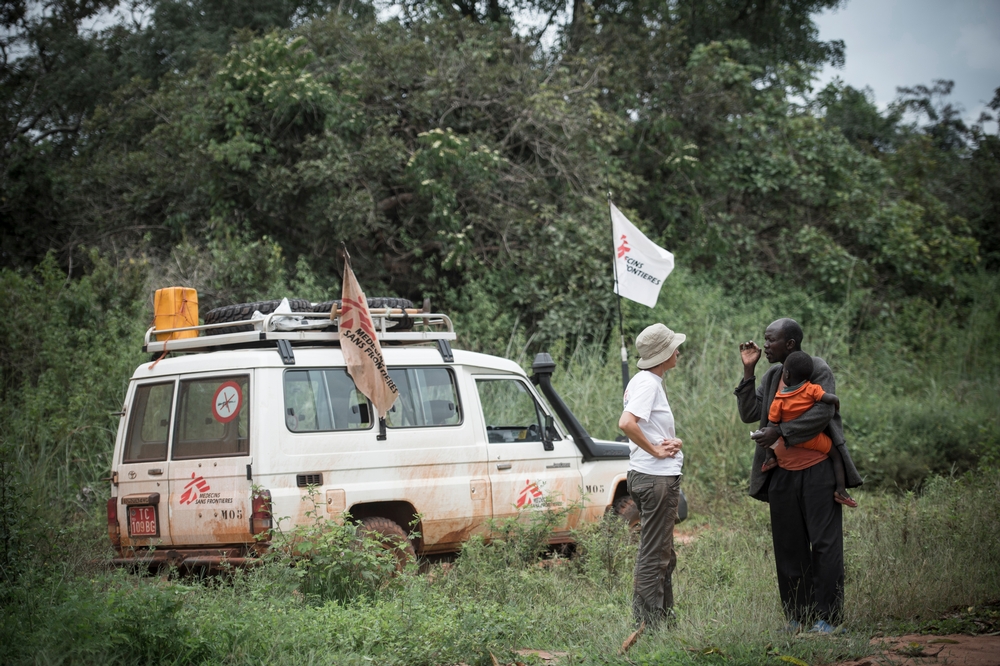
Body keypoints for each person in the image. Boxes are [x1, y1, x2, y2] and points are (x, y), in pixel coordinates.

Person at [734, 318, 862, 634]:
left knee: (824, 544)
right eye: (764, 339)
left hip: (819, 471)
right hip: (782, 475)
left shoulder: (817, 369)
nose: (764, 346)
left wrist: (780, 431)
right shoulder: (774, 374)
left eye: (770, 340)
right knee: (789, 547)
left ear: (790, 343)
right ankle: (797, 617)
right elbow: (749, 413)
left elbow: (822, 413)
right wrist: (748, 372)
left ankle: (828, 618)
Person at [618, 323, 685, 633]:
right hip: (655, 477)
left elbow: (652, 430)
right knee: (653, 554)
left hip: (651, 475)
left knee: (663, 553)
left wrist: (671, 443)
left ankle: (664, 619)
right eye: (674, 347)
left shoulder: (647, 381)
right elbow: (627, 423)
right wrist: (656, 452)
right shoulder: (648, 383)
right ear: (663, 355)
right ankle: (647, 625)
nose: (679, 351)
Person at [757, 351, 856, 508]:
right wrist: (836, 401)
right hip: (814, 439)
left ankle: (769, 459)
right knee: (836, 456)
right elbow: (829, 399)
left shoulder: (779, 399)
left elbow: (773, 423)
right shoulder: (812, 389)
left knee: (768, 434)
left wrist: (774, 437)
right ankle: (841, 490)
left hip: (788, 442)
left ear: (787, 375)